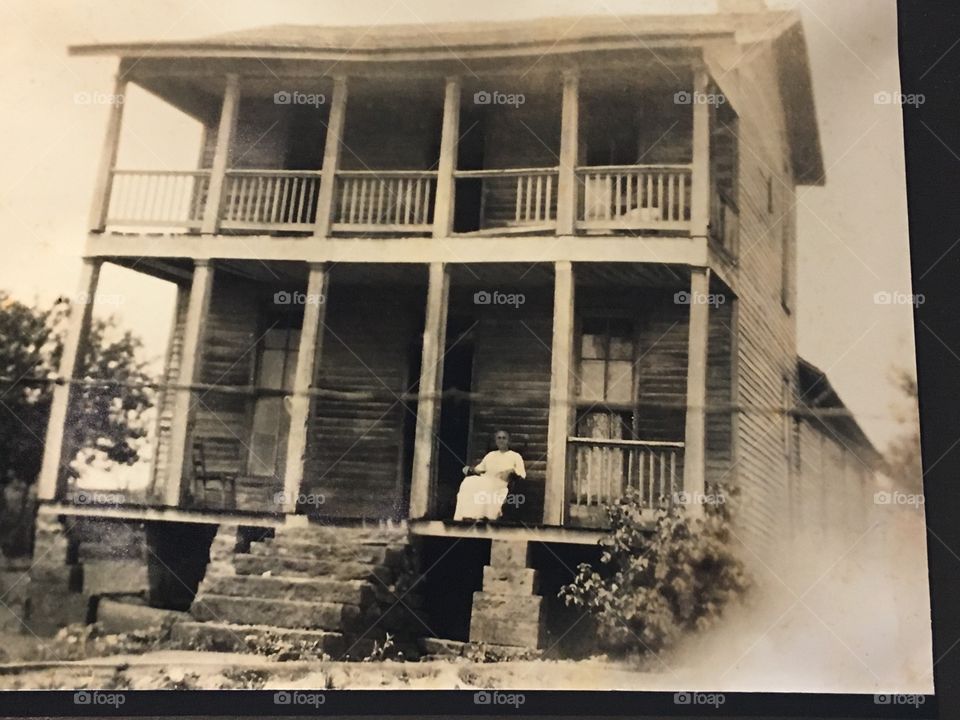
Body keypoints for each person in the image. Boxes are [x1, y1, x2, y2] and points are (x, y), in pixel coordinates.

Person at [453, 430, 526, 521]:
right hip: (487, 479)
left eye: (504, 438)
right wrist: (469, 469)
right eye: (499, 438)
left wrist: (511, 471)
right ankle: (467, 515)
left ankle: (482, 515)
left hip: (501, 482)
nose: (501, 440)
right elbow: (479, 469)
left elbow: (522, 474)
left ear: (509, 441)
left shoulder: (515, 456)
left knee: (486, 485)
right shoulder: (490, 455)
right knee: (468, 482)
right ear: (496, 441)